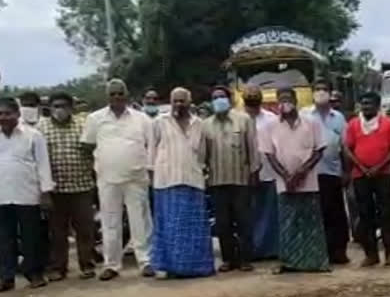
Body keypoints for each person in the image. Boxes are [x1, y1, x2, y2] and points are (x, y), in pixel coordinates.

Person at [81, 79, 154, 281]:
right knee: (110, 221)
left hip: (136, 177)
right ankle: (111, 265)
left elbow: (152, 146)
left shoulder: (142, 119)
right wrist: (98, 168)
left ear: (127, 95)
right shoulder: (95, 119)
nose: (117, 97)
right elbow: (87, 147)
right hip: (107, 178)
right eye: (113, 94)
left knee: (140, 220)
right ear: (107, 96)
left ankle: (146, 261)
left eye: (120, 93)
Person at [0, 97, 54, 292]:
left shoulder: (33, 135)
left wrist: (46, 192)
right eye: (0, 114)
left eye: (8, 113)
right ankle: (6, 278)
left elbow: (43, 164)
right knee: (4, 238)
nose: (3, 117)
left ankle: (34, 274)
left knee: (31, 237)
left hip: (27, 194)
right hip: (0, 195)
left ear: (17, 114)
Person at [259, 87, 329, 273]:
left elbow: (319, 150)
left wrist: (301, 172)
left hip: (309, 181)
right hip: (284, 184)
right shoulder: (270, 125)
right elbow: (270, 155)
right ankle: (289, 263)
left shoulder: (311, 122)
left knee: (310, 223)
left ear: (296, 100)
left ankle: (316, 262)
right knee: (287, 224)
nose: (285, 102)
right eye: (281, 99)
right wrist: (286, 176)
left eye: (288, 98)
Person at [150, 88, 214, 279]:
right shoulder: (160, 122)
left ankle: (196, 268)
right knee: (170, 227)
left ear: (189, 102)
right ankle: (170, 267)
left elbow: (202, 154)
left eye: (182, 101)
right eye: (175, 101)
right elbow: (152, 151)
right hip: (166, 181)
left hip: (192, 180)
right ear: (170, 102)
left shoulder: (199, 124)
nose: (178, 104)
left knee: (192, 228)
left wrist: (200, 170)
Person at [40, 92, 97, 281]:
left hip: (81, 187)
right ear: (50, 108)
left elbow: (93, 152)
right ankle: (59, 268)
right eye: (56, 106)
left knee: (85, 231)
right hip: (55, 190)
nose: (60, 110)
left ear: (72, 107)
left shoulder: (83, 125)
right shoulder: (42, 127)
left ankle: (87, 265)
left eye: (64, 106)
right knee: (57, 233)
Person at [204, 85, 260, 272]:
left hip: (241, 180)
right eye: (215, 97)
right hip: (217, 181)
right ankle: (228, 259)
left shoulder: (244, 120)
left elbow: (253, 149)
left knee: (244, 221)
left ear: (229, 99)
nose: (218, 100)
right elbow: (203, 155)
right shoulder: (206, 125)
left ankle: (245, 259)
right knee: (222, 223)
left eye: (222, 96)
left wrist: (254, 174)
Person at [344, 91, 390, 267]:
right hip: (361, 176)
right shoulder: (353, 124)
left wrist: (379, 167)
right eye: (363, 104)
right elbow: (347, 149)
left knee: (386, 214)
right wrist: (361, 167)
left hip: (383, 175)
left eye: (369, 104)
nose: (366, 107)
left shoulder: (388, 124)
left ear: (377, 106)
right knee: (365, 215)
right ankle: (371, 254)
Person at [304, 78, 350, 265]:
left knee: (336, 214)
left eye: (324, 89)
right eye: (317, 89)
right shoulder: (305, 115)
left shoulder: (338, 117)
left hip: (332, 173)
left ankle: (338, 251)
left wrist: (346, 171)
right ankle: (316, 252)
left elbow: (345, 146)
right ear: (312, 92)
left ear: (330, 93)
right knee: (315, 214)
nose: (321, 92)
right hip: (309, 173)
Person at [244, 86, 280, 260]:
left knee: (269, 213)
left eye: (255, 96)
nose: (252, 99)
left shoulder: (271, 119)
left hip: (269, 171)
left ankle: (270, 250)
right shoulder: (239, 119)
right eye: (249, 97)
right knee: (249, 213)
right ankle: (252, 249)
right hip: (244, 175)